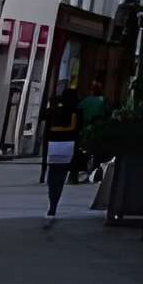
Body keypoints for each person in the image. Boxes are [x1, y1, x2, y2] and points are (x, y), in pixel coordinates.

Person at [42, 87, 81, 221]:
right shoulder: (76, 112)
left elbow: (47, 130)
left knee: (52, 177)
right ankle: (54, 203)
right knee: (61, 177)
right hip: (68, 147)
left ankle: (52, 201)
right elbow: (77, 132)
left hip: (54, 145)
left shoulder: (54, 112)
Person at [74, 86, 107, 183]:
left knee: (84, 149)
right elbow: (105, 113)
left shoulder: (86, 100)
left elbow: (79, 110)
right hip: (97, 128)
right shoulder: (102, 101)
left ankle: (83, 170)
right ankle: (93, 170)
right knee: (95, 150)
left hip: (85, 127)